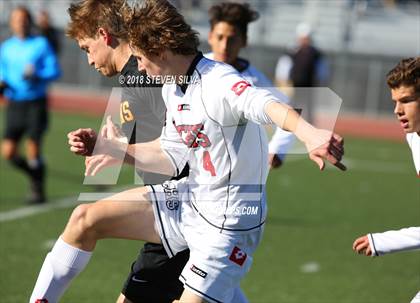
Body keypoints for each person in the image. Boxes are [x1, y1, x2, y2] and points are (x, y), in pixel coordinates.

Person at [29, 1, 345, 302]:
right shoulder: (172, 86)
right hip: (189, 201)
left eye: (140, 58)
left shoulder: (218, 80)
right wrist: (114, 149)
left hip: (227, 226)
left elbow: (265, 105)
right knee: (85, 217)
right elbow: (169, 152)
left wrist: (309, 133)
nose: (138, 67)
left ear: (160, 49)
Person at [62, 1, 190, 302]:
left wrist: (114, 149)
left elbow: (178, 148)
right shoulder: (134, 77)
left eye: (86, 48)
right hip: (178, 210)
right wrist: (110, 144)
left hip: (179, 210)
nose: (89, 61)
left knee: (84, 219)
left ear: (105, 35)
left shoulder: (140, 75)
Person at [352, 57, 420, 303]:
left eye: (406, 101)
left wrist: (383, 241)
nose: (397, 110)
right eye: (395, 102)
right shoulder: (414, 136)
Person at [206, 2, 294, 169]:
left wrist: (277, 150)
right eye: (220, 37)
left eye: (231, 39)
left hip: (237, 176)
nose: (225, 45)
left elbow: (289, 115)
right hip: (192, 171)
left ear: (244, 41)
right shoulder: (190, 69)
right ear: (210, 36)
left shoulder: (255, 80)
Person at [0, 6, 61, 204]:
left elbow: (54, 71)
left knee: (33, 148)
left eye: (24, 19)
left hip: (36, 103)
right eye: (17, 19)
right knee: (8, 152)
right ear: (11, 23)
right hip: (15, 103)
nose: (21, 23)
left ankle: (37, 190)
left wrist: (37, 74)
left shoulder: (41, 44)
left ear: (29, 21)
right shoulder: (6, 47)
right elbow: (2, 73)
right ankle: (35, 175)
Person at [274, 23, 329, 123]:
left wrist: (320, 82)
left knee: (309, 110)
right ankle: (291, 126)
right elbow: (283, 70)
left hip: (310, 86)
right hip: (293, 86)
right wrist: (284, 84)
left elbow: (322, 71)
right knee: (292, 108)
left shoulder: (316, 53)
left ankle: (309, 129)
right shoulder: (291, 51)